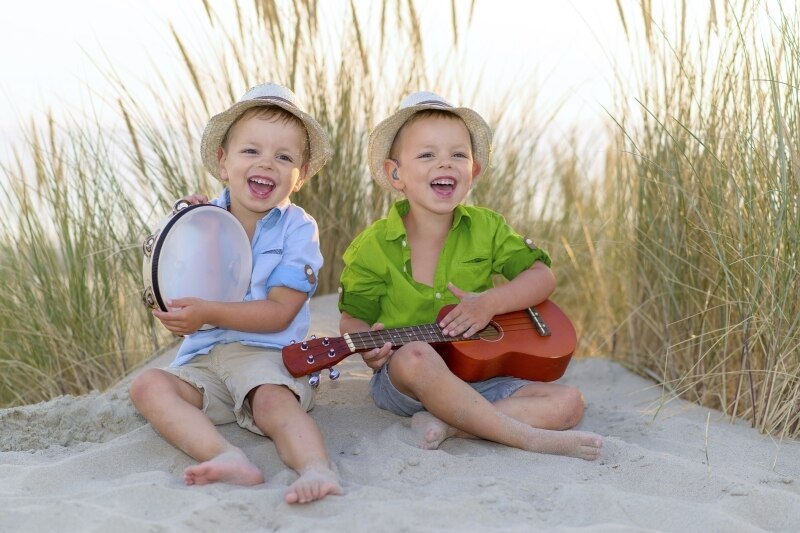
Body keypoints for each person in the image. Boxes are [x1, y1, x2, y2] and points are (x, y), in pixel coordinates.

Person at [338, 91, 603, 460]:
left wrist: (490, 303)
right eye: (427, 154)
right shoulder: (372, 246)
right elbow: (354, 316)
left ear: (473, 171)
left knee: (569, 402)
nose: (444, 164)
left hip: (483, 375)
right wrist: (369, 347)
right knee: (415, 355)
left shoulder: (487, 228)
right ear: (395, 173)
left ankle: (451, 425)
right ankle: (526, 437)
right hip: (409, 379)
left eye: (458, 155)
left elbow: (541, 276)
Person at [130, 83, 342, 503]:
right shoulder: (203, 218)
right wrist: (189, 231)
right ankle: (225, 455)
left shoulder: (297, 229)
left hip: (265, 356)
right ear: (223, 163)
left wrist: (209, 309)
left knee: (271, 403)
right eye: (252, 151)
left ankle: (315, 467)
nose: (267, 163)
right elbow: (179, 287)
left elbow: (280, 312)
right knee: (148, 386)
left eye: (284, 157)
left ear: (299, 177)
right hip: (204, 360)